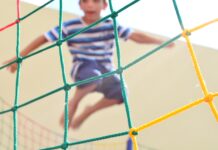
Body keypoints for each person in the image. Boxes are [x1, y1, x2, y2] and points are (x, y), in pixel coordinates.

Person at [4, 0, 174, 129]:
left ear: (104, 5)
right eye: (85, 1)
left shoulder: (109, 24)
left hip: (107, 69)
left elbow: (135, 36)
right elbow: (44, 38)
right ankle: (74, 103)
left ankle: (88, 110)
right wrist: (19, 57)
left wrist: (160, 42)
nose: (90, 5)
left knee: (122, 93)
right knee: (93, 74)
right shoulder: (71, 26)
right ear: (80, 5)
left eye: (95, 1)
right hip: (83, 66)